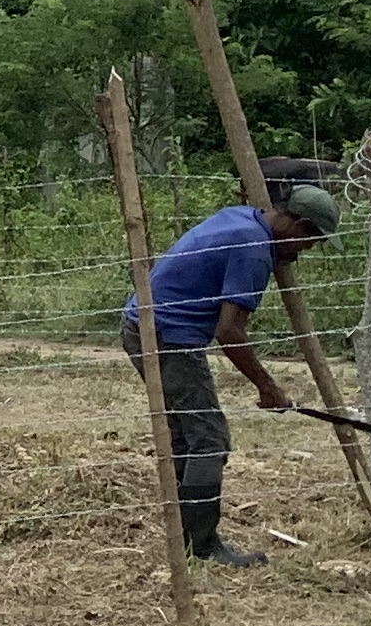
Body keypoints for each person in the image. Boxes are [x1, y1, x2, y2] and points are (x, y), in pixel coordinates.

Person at [120, 182, 340, 568]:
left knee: (187, 437)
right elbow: (229, 332)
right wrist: (267, 386)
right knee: (209, 440)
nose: (306, 251)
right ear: (299, 225)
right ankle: (202, 547)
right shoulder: (252, 251)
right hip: (169, 336)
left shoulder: (242, 219)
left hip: (142, 323)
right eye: (311, 241)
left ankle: (184, 539)